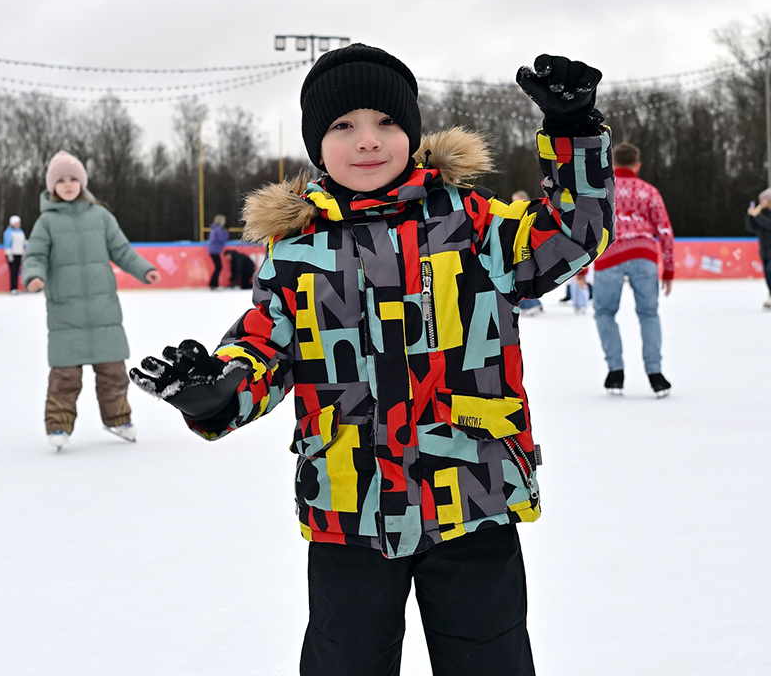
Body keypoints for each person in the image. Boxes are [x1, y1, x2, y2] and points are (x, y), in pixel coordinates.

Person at [130, 45, 614, 675]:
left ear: (412, 134)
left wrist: (573, 132)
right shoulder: (296, 254)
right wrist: (221, 391)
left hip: (471, 492)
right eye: (343, 126)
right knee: (345, 663)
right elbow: (263, 347)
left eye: (386, 122)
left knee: (489, 660)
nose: (368, 141)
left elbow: (574, 235)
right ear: (316, 145)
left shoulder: (471, 225)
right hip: (350, 503)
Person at [22, 150, 161, 452]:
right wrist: (33, 276)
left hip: (103, 310)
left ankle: (118, 420)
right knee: (65, 375)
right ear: (52, 186)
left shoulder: (100, 216)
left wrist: (144, 269)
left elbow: (122, 250)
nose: (69, 184)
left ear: (83, 183)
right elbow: (34, 256)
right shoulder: (46, 222)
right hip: (65, 311)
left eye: (74, 179)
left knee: (113, 372)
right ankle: (58, 426)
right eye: (61, 180)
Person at [592, 142, 674, 397]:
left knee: (605, 312)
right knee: (649, 314)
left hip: (609, 254)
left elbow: (589, 227)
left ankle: (615, 372)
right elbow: (665, 231)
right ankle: (655, 374)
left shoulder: (603, 190)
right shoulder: (648, 191)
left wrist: (581, 270)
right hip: (643, 254)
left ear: (612, 164)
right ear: (637, 165)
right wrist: (668, 269)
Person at [511, 190, 543, 316]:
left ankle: (530, 304)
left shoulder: (530, 210)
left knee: (524, 275)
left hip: (527, 247)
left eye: (516, 200)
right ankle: (534, 303)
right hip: (523, 247)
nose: (514, 203)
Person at [745, 187, 771, 310]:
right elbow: (751, 227)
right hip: (765, 250)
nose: (761, 202)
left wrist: (758, 215)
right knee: (767, 273)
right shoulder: (762, 214)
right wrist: (751, 215)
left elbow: (769, 225)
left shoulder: (763, 216)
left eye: (763, 200)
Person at [3, 215, 27, 294]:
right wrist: (8, 253)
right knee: (13, 271)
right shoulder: (9, 232)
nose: (18, 224)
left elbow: (23, 242)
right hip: (12, 254)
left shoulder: (20, 231)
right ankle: (13, 288)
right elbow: (7, 243)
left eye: (19, 223)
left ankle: (17, 287)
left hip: (19, 253)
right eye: (16, 223)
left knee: (18, 271)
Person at [207, 214, 228, 290]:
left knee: (218, 267)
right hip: (215, 250)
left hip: (213, 250)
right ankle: (213, 284)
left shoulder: (214, 229)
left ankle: (214, 284)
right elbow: (222, 239)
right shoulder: (218, 230)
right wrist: (226, 232)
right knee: (218, 267)